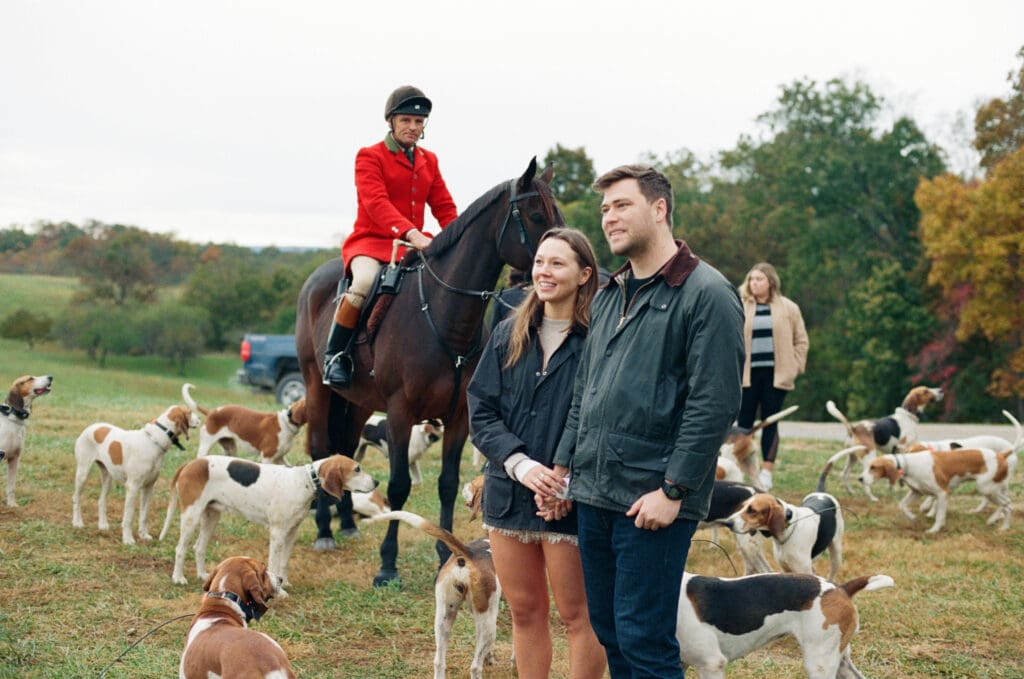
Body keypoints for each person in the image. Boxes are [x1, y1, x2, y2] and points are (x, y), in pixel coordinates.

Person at [549, 165, 744, 679]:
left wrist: (674, 489)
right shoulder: (612, 292)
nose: (609, 218)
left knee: (645, 636)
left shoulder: (707, 293)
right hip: (595, 494)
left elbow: (715, 402)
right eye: (605, 209)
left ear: (659, 210)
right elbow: (584, 392)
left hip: (651, 499)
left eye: (622, 206)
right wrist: (566, 468)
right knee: (611, 629)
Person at [468, 228, 607, 679]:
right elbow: (481, 410)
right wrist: (520, 465)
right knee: (525, 612)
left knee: (578, 615)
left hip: (574, 499)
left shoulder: (601, 340)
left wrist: (567, 479)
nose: (544, 271)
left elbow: (601, 417)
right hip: (510, 493)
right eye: (540, 261)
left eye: (557, 263)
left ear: (585, 273)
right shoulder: (510, 332)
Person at [322, 85, 458, 387]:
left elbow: (443, 205)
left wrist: (458, 238)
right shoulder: (369, 156)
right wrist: (411, 233)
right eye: (406, 120)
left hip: (414, 245)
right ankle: (336, 356)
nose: (413, 127)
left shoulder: (429, 160)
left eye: (418, 122)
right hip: (372, 242)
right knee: (365, 282)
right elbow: (376, 203)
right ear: (391, 121)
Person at [737, 262, 809, 490]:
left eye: (759, 279)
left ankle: (767, 471)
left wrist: (795, 366)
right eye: (751, 279)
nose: (754, 283)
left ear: (770, 282)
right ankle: (742, 470)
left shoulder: (788, 308)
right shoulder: (740, 305)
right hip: (746, 375)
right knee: (743, 425)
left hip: (775, 376)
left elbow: (801, 340)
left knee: (770, 421)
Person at [488, 267, 530, 333]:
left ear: (510, 279)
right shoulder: (535, 296)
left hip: (506, 339)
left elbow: (494, 329)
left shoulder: (501, 296)